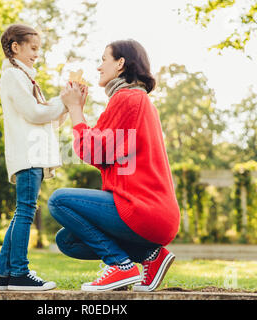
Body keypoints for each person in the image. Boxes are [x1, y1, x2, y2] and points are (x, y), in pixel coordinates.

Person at [49, 39, 180, 291]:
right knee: (67, 240)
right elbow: (105, 156)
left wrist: (75, 109)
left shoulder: (127, 98)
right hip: (152, 213)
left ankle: (120, 265)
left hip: (141, 209)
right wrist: (80, 112)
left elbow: (93, 151)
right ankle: (151, 256)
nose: (99, 67)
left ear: (120, 63)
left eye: (103, 59)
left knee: (58, 201)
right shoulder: (136, 101)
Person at [0, 24, 68, 291]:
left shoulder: (24, 78)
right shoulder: (13, 76)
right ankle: (20, 273)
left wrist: (66, 104)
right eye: (33, 48)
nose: (37, 54)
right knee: (25, 210)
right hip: (27, 154)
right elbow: (34, 114)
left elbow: (47, 120)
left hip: (32, 153)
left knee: (22, 211)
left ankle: (3, 274)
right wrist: (62, 101)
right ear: (16, 47)